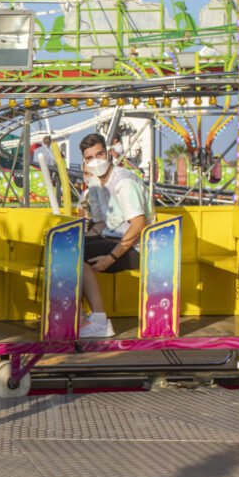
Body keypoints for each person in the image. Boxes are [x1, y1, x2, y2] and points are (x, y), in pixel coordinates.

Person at [78, 133, 152, 338]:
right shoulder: (94, 183)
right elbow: (101, 223)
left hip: (138, 247)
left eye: (100, 154)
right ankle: (80, 316)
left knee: (76, 257)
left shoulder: (123, 183)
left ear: (108, 153)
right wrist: (80, 240)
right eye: (90, 157)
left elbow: (138, 225)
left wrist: (109, 259)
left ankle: (100, 321)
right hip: (111, 238)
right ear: (84, 161)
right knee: (69, 250)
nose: (96, 160)